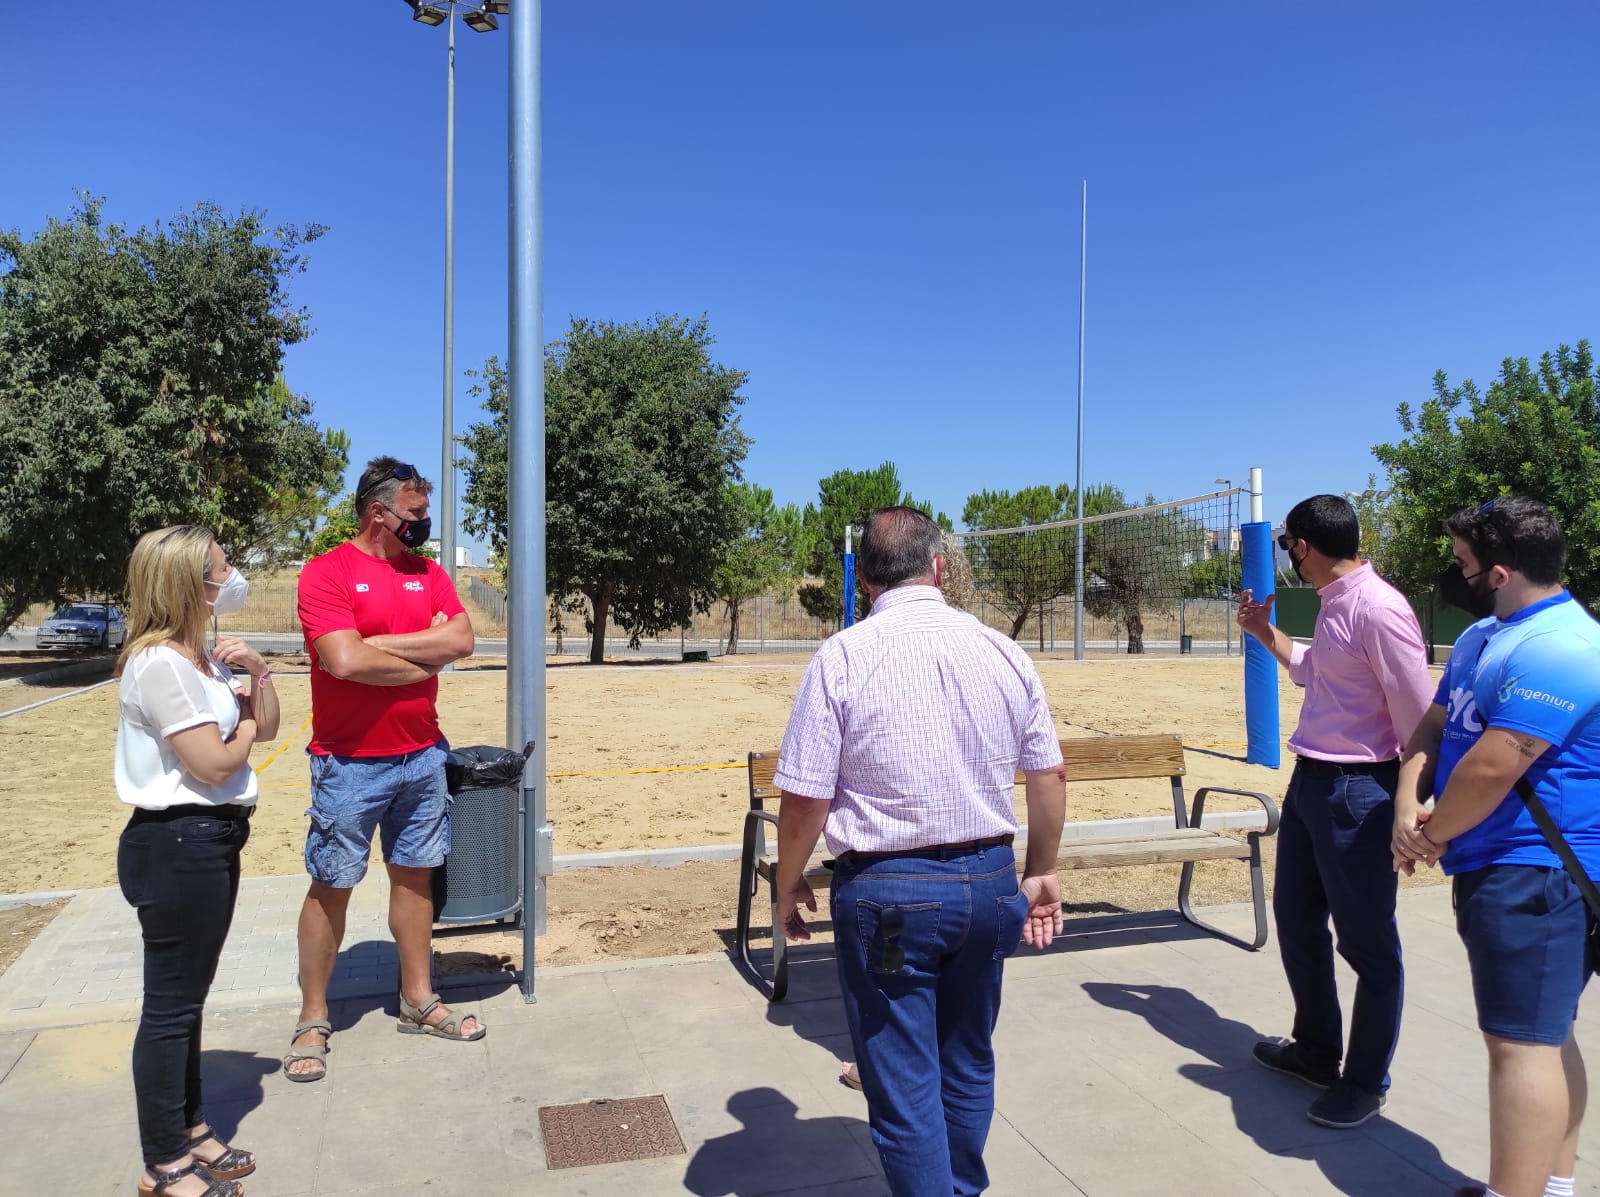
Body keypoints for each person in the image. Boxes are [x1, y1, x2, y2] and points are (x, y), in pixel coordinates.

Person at [772, 506, 1067, 1197]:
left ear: (868, 581)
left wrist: (786, 884)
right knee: (967, 1059)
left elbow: (806, 800)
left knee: (902, 1081)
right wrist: (1043, 870)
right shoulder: (1003, 650)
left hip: (891, 892)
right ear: (937, 567)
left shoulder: (843, 656)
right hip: (991, 882)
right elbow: (1048, 776)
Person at [1393, 497, 1600, 1197]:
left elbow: (1497, 760)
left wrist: (1430, 833)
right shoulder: (1489, 633)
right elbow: (1435, 722)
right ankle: (1552, 1189)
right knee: (1542, 1034)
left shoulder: (1563, 645)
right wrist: (1406, 799)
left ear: (1502, 571)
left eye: (1463, 563)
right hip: (1497, 863)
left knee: (1521, 1048)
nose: (1457, 574)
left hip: (1537, 872)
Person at [1235, 494, 1434, 1129]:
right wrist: (1263, 633)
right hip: (1312, 784)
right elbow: (1314, 672)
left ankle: (1365, 1080)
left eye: (1288, 545)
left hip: (1359, 793)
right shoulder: (1332, 605)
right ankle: (1318, 1051)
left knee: (1368, 945)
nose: (1287, 557)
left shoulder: (1379, 608)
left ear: (1303, 549)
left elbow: (1422, 718)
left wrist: (1415, 810)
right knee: (1295, 920)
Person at [283, 457, 481, 1082]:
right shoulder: (326, 572)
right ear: (380, 513)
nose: (425, 524)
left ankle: (418, 999)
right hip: (347, 765)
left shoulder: (429, 573)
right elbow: (341, 661)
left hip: (422, 757)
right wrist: (419, 657)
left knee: (416, 881)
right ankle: (313, 1018)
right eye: (418, 514)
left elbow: (462, 642)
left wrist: (380, 648)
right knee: (332, 885)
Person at [115, 526, 280, 1197]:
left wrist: (260, 675)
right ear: (189, 584)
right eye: (220, 568)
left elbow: (265, 725)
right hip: (177, 843)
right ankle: (164, 1164)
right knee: (170, 1008)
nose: (232, 575)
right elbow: (214, 762)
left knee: (188, 1000)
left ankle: (191, 1129)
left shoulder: (202, 659)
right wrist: (239, 726)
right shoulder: (159, 665)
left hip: (208, 840)